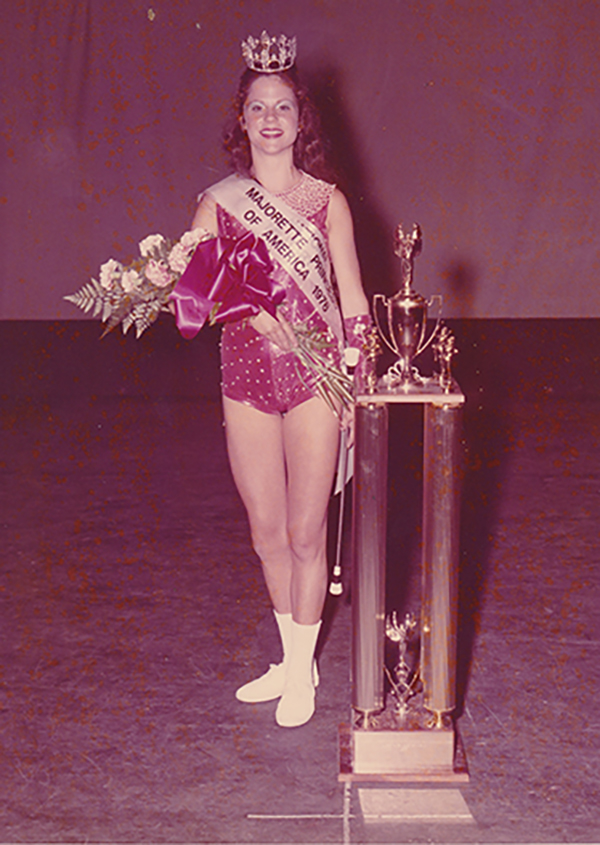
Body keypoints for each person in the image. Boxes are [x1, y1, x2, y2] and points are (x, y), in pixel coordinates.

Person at [173, 32, 371, 727]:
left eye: (282, 106)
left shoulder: (327, 202)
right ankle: (294, 660)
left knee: (306, 530)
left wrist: (356, 382)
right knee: (265, 531)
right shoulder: (219, 203)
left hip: (315, 381)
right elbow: (191, 294)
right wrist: (240, 310)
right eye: (258, 108)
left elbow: (352, 298)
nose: (270, 120)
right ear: (243, 119)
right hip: (245, 376)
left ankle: (301, 671)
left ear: (299, 118)